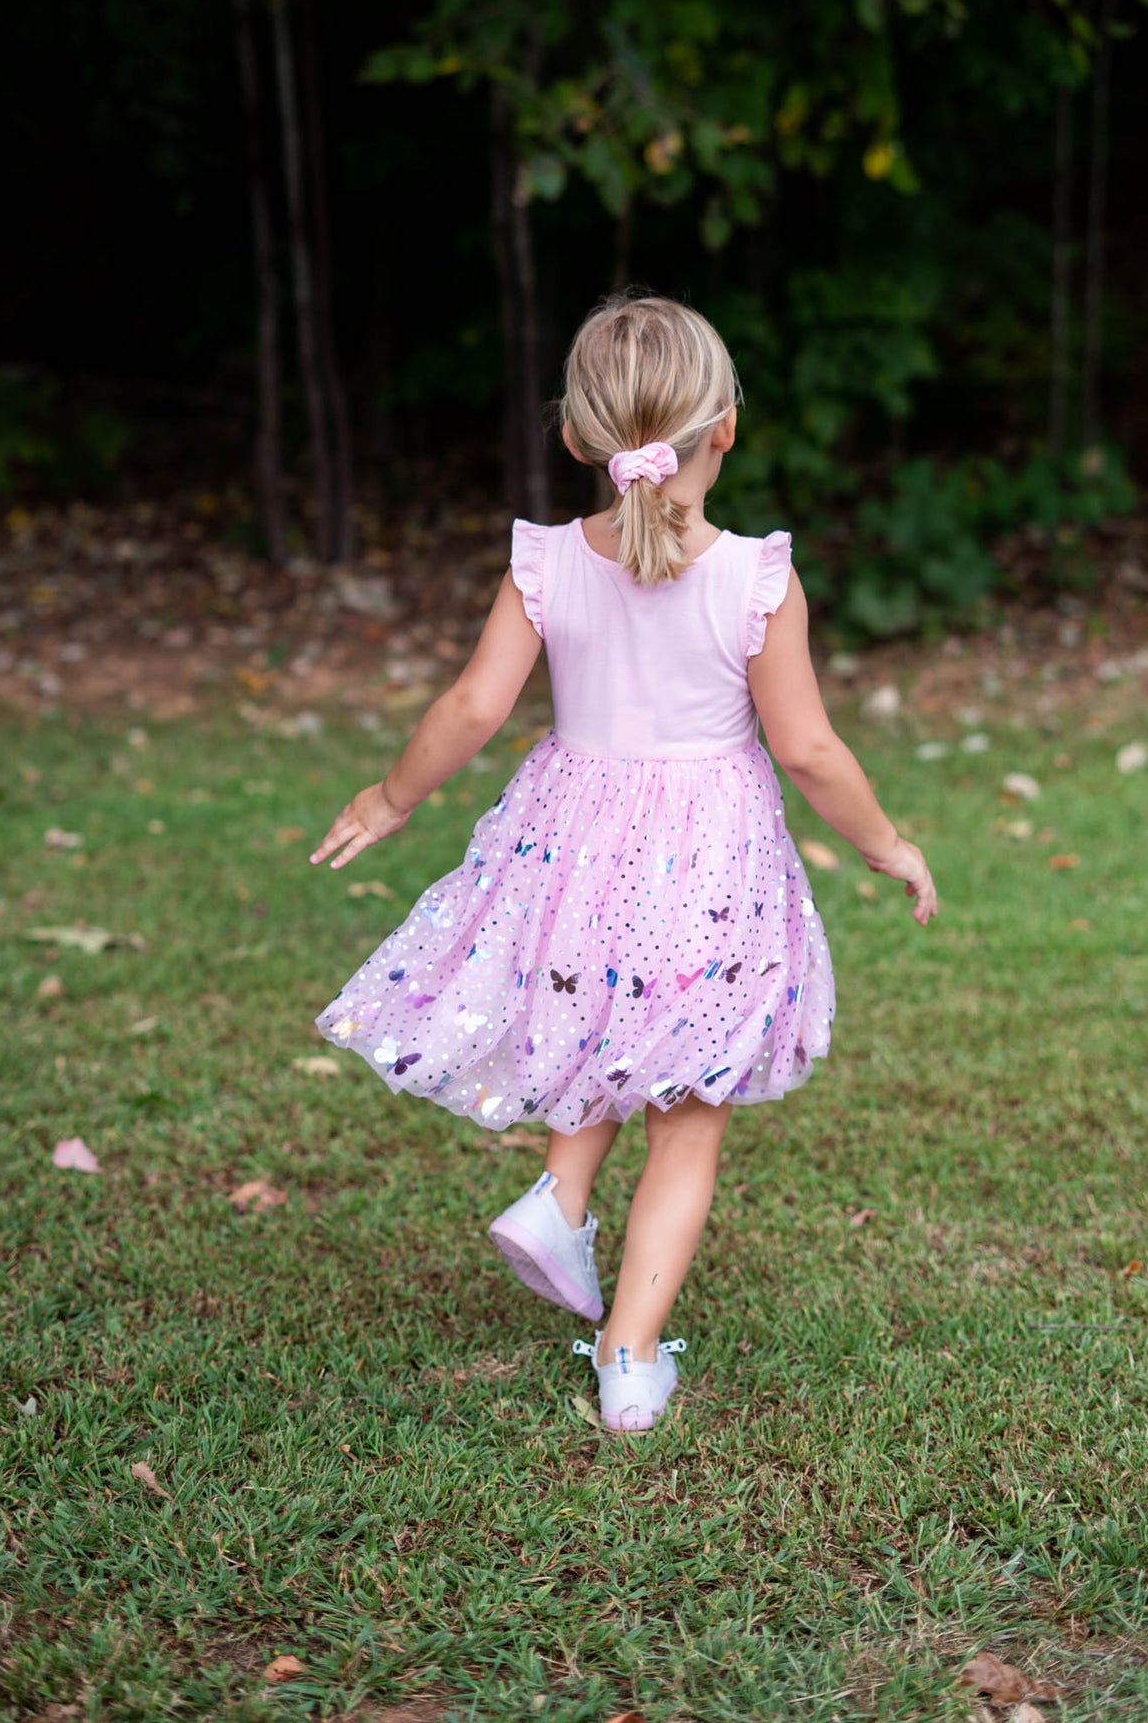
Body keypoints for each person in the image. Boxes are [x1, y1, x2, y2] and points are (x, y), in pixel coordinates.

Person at [311, 293, 936, 1431]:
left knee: (598, 1032)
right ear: (726, 427)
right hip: (704, 862)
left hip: (569, 843)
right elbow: (805, 746)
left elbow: (471, 705)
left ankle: (559, 1194)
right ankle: (629, 1359)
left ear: (575, 439)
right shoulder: (756, 578)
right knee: (685, 1109)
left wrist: (388, 796)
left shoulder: (545, 561)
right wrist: (886, 842)